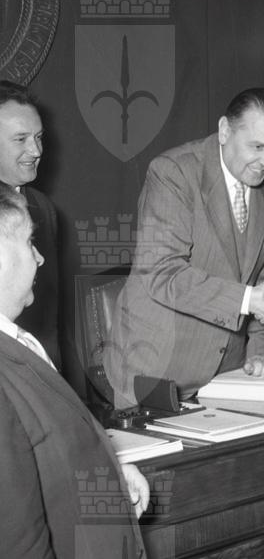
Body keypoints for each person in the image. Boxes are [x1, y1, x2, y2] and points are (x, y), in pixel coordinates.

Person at [104, 88, 264, 409]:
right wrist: (250, 300)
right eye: (257, 146)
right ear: (224, 131)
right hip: (154, 368)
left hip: (226, 373)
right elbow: (162, 273)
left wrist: (260, 354)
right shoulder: (173, 172)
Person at [0, 184, 149, 557]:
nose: (40, 259)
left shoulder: (17, 340)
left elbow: (46, 453)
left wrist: (108, 471)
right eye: (28, 242)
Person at [0, 80, 59, 366]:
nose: (36, 150)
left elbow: (49, 318)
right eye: (21, 139)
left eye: (38, 137)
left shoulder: (43, 207)